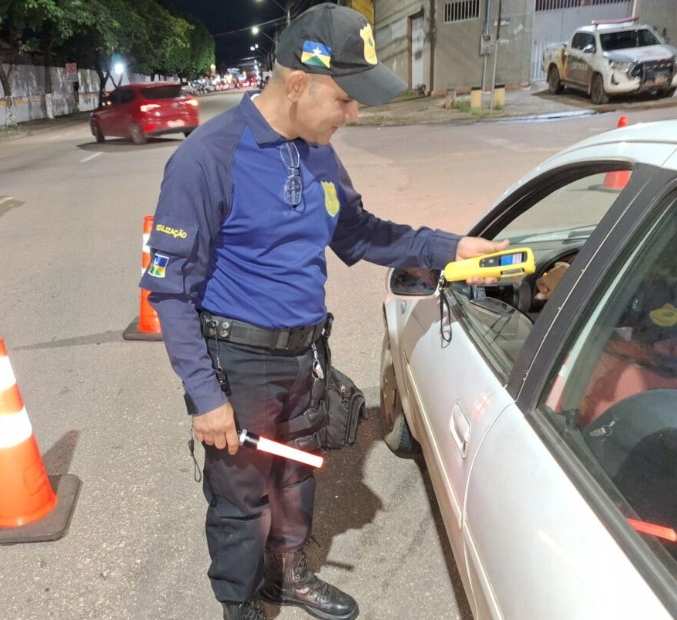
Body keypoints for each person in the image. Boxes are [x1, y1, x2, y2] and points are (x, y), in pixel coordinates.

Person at [138, 5, 508, 620]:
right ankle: (240, 604)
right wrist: (205, 397)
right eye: (345, 99)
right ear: (299, 83)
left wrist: (450, 248)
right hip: (239, 361)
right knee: (242, 499)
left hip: (303, 355)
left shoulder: (316, 152)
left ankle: (287, 573)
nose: (353, 114)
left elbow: (361, 234)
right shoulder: (207, 159)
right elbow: (170, 289)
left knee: (297, 477)